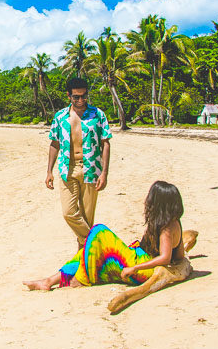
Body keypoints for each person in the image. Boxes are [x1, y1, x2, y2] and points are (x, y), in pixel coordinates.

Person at [23, 180, 190, 290]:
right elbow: (179, 252)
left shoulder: (168, 227)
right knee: (87, 251)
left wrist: (134, 268)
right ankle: (49, 281)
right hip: (141, 259)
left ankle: (81, 279)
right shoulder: (170, 223)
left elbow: (165, 258)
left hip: (143, 269)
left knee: (98, 232)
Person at [44, 77, 112, 249]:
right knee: (69, 213)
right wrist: (49, 171)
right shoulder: (60, 117)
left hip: (92, 169)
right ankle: (93, 243)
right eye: (76, 97)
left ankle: (84, 255)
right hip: (68, 169)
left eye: (84, 96)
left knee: (87, 217)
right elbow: (54, 144)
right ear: (69, 96)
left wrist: (104, 173)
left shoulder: (98, 114)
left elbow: (106, 143)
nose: (80, 100)